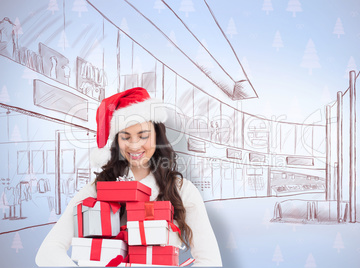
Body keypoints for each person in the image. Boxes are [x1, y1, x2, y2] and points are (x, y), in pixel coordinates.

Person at [35, 87, 222, 267]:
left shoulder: (181, 190)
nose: (134, 146)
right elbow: (48, 252)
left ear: (157, 135)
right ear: (117, 140)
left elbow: (210, 260)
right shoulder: (98, 189)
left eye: (143, 136)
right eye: (125, 137)